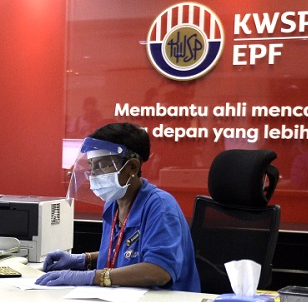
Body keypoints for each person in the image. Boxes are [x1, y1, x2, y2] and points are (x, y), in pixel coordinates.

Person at [37, 122, 200, 292]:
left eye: (102, 166)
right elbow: (126, 255)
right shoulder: (113, 204)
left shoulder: (160, 206)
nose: (94, 175)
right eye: (92, 166)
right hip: (122, 301)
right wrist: (84, 260)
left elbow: (159, 271)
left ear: (132, 167)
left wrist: (90, 276)